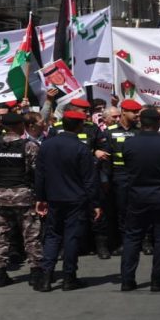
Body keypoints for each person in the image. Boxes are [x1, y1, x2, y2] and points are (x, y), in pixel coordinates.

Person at [34, 110, 100, 292]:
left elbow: (40, 174)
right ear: (79, 126)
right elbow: (89, 179)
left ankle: (46, 277)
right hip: (76, 199)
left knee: (52, 236)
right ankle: (69, 277)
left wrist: (40, 198)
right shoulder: (81, 148)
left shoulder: (47, 145)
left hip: (54, 197)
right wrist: (95, 203)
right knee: (72, 237)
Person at [119, 108, 160, 292]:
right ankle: (158, 280)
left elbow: (128, 165)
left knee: (132, 238)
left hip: (137, 196)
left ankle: (127, 280)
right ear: (158, 122)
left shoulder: (129, 143)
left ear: (141, 122)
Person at [0, 113, 42, 288]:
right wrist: (40, 197)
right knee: (31, 236)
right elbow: (38, 174)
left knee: (0, 236)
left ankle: (0, 274)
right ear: (20, 125)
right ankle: (36, 273)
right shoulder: (30, 146)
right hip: (24, 196)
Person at [106, 99, 142, 255]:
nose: (137, 115)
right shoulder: (110, 131)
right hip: (119, 175)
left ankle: (145, 241)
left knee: (140, 209)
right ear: (123, 112)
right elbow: (106, 156)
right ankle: (124, 242)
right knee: (122, 210)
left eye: (138, 112)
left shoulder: (140, 131)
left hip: (138, 175)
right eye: (134, 112)